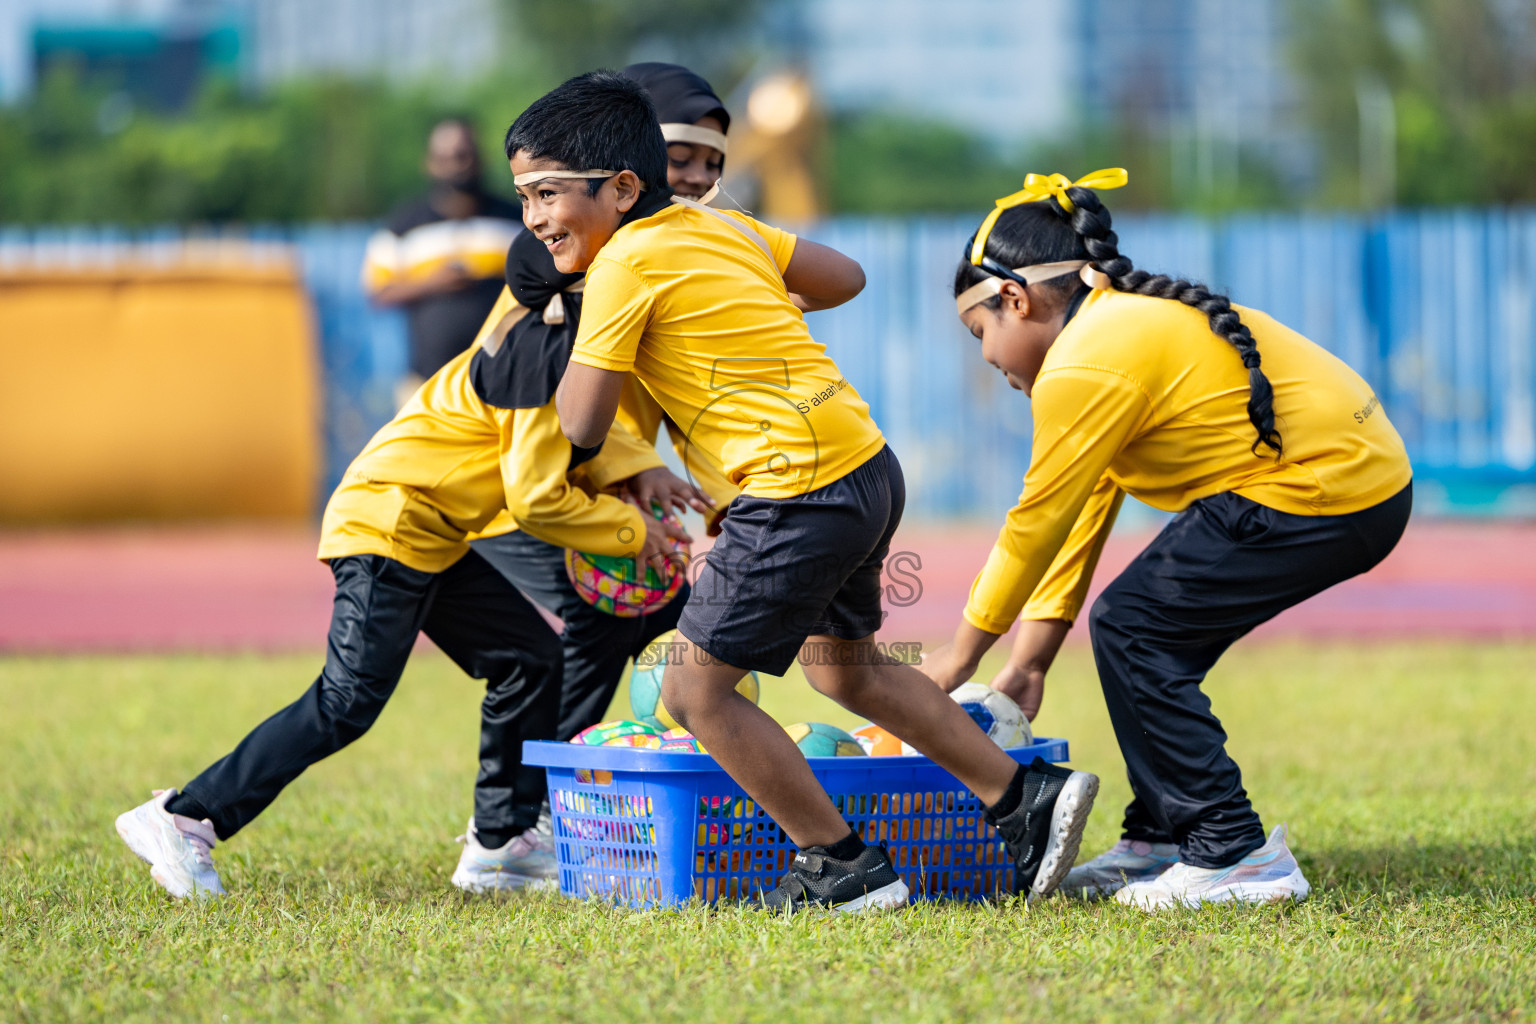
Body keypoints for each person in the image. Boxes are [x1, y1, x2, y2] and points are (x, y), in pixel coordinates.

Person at [506, 71, 1099, 912]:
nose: (534, 218)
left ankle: (841, 865)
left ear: (624, 188)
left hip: (790, 489)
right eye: (524, 197)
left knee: (692, 692)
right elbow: (843, 275)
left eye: (547, 194)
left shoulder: (619, 271)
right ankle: (1020, 799)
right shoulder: (721, 229)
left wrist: (565, 329)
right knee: (844, 672)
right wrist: (746, 301)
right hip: (861, 465)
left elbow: (581, 424)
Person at [113, 249, 697, 899]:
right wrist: (631, 533)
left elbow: (573, 436)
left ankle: (500, 846)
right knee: (346, 701)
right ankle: (186, 816)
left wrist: (636, 472)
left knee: (528, 659)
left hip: (435, 533)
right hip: (389, 525)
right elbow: (534, 496)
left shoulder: (549, 341)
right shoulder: (541, 357)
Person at [919, 170, 1413, 909]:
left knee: (1136, 628)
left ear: (1015, 299)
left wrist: (961, 653)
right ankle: (1162, 837)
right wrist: (1029, 659)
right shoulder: (1111, 330)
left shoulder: (1088, 359)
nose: (987, 358)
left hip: (1325, 487)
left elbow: (1037, 520)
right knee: (1146, 632)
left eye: (979, 332)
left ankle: (1233, 850)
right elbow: (1085, 504)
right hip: (1348, 480)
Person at [469, 63, 738, 743]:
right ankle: (524, 816)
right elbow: (541, 393)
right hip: (513, 484)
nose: (700, 177)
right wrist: (628, 467)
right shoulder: (566, 258)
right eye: (680, 157)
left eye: (714, 162)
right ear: (626, 166)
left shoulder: (672, 250)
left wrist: (729, 501)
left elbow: (695, 400)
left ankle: (688, 773)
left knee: (669, 616)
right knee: (609, 606)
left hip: (588, 479)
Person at [363, 118, 523, 407]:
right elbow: (378, 292)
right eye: (445, 157)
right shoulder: (404, 224)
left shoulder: (517, 218)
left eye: (463, 155)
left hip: (507, 380)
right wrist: (432, 283)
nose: (456, 164)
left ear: (480, 158)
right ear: (430, 163)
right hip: (427, 386)